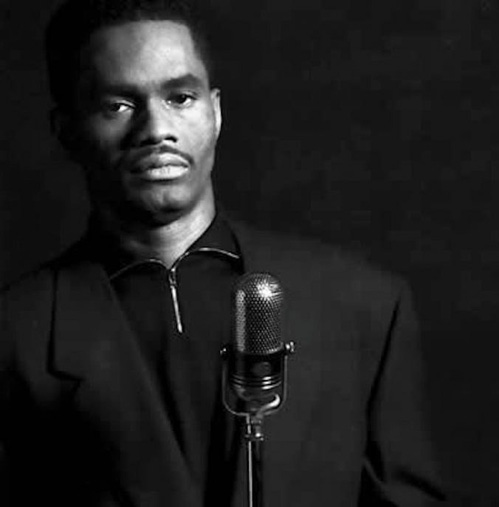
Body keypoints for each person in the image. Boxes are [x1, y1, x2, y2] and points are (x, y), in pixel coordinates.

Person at [0, 0, 446, 505]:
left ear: (215, 112)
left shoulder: (362, 307)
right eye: (118, 105)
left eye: (180, 97)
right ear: (66, 131)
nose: (156, 130)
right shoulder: (14, 337)